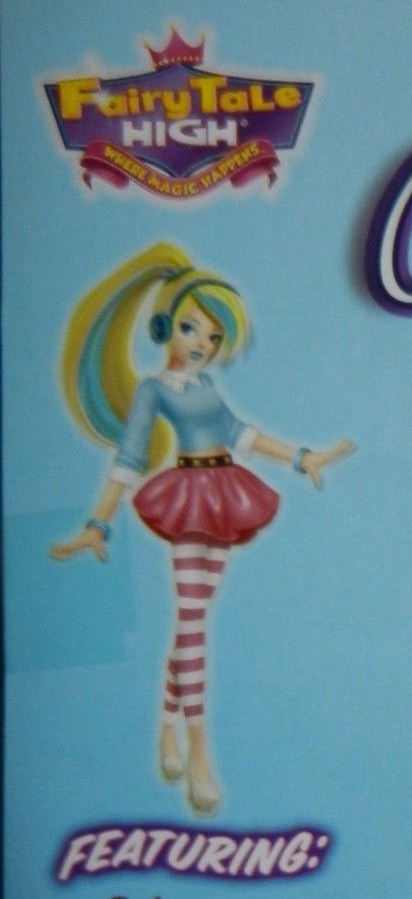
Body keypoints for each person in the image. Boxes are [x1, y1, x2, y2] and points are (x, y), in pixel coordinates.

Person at [53, 241, 353, 814]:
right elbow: (130, 456)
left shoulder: (207, 387)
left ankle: (165, 728)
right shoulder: (153, 389)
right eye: (192, 328)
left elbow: (241, 434)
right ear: (164, 325)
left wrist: (301, 457)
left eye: (213, 338)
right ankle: (198, 753)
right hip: (188, 499)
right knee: (192, 622)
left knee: (193, 621)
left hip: (225, 494)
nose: (202, 344)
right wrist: (99, 521)